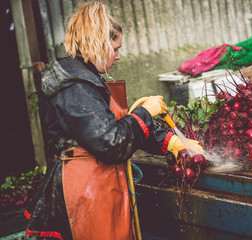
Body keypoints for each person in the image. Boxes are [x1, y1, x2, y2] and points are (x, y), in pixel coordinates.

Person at [24, 1, 202, 240]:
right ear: (98, 43)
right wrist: (145, 113)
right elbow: (112, 141)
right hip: (84, 193)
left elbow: (120, 123)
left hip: (99, 185)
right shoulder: (75, 87)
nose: (118, 56)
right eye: (115, 48)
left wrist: (169, 141)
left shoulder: (88, 79)